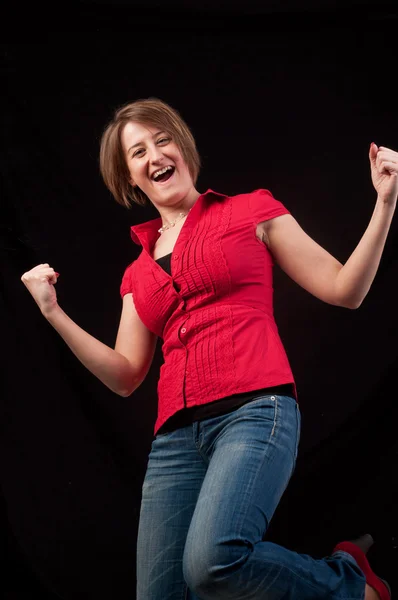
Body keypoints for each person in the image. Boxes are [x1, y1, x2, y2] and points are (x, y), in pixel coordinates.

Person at [21, 97, 397, 600]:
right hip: (175, 440)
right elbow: (126, 374)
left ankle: (352, 582)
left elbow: (344, 289)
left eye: (162, 140)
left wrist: (386, 202)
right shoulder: (137, 272)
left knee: (212, 563)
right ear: (129, 176)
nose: (154, 155)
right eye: (138, 152)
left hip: (254, 412)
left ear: (182, 147)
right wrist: (53, 312)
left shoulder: (251, 210)